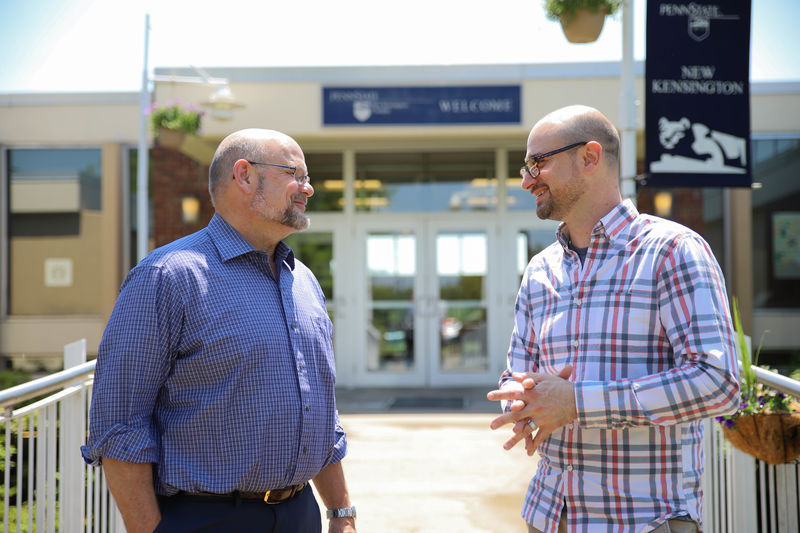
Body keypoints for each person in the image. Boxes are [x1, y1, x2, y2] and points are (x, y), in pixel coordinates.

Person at [81, 129, 356, 533]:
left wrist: (340, 512)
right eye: (294, 173)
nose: (308, 188)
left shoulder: (303, 281)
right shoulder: (166, 277)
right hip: (206, 519)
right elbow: (119, 425)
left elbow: (319, 413)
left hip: (301, 515)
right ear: (244, 176)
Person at [487, 105, 740, 533]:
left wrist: (577, 402)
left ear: (589, 157)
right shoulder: (540, 270)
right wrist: (522, 402)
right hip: (550, 516)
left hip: (644, 521)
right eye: (526, 166)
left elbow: (719, 384)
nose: (528, 180)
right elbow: (518, 375)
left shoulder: (673, 251)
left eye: (538, 163)